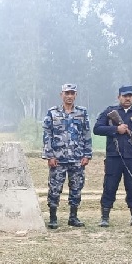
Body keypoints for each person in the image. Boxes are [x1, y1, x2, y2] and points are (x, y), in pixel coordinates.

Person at [93, 85, 132, 228]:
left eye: (130, 96)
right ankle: (105, 217)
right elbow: (97, 129)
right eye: (124, 96)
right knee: (109, 187)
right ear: (119, 97)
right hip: (114, 157)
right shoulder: (109, 112)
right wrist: (116, 129)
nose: (127, 98)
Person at [42, 83, 92, 229]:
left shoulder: (82, 112)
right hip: (58, 158)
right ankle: (53, 218)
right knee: (55, 188)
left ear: (75, 95)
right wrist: (49, 155)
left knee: (76, 187)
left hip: (77, 158)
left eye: (72, 93)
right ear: (61, 95)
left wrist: (87, 154)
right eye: (66, 93)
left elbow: (86, 134)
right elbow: (47, 135)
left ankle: (73, 217)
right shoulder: (52, 113)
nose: (69, 96)